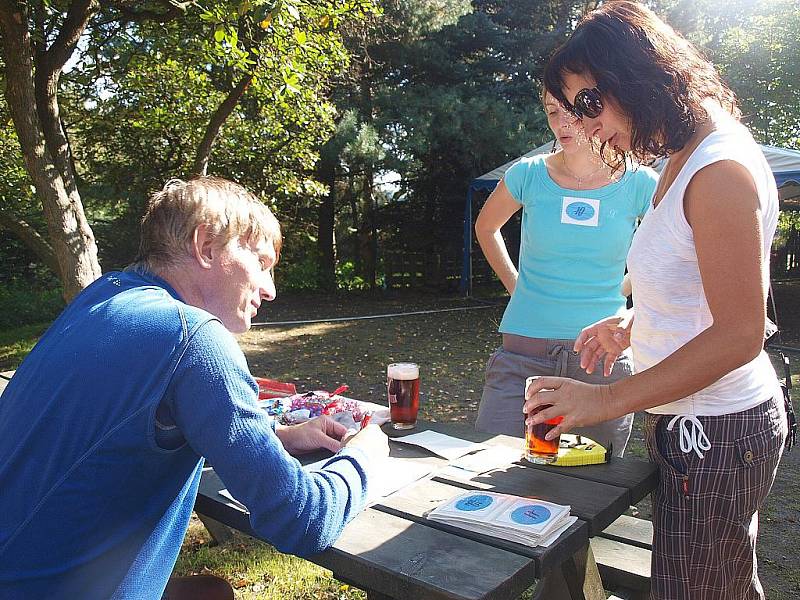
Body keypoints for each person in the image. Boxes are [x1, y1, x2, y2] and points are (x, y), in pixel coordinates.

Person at [0, 176, 389, 600]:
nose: (270, 289)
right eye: (261, 263)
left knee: (210, 593)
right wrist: (362, 457)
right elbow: (299, 520)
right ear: (206, 245)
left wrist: (277, 437)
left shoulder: (101, 299)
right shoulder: (193, 337)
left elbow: (119, 428)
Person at [525, 3, 788, 599]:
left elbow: (743, 331)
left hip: (717, 431)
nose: (586, 127)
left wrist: (607, 399)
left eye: (589, 103)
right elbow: (706, 285)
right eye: (573, 112)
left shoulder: (718, 169)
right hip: (692, 422)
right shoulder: (686, 154)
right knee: (720, 586)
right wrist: (635, 321)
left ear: (638, 73)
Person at [474, 88, 658, 457]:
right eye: (552, 111)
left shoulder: (640, 182)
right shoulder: (527, 174)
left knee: (589, 492)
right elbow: (486, 227)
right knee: (486, 472)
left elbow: (664, 250)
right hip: (522, 356)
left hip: (601, 362)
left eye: (572, 112)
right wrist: (517, 286)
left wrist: (619, 292)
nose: (562, 123)